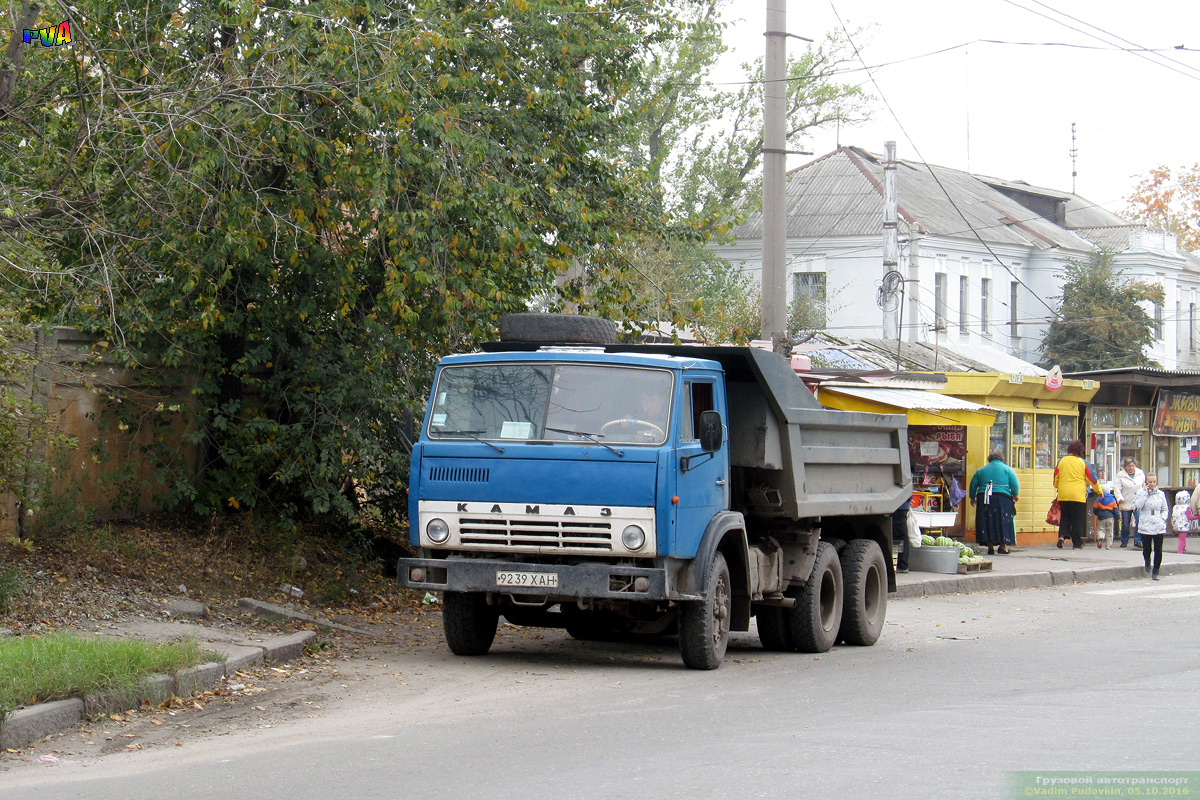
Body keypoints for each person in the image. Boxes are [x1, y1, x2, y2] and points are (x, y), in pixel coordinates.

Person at [1053, 439, 1102, 550]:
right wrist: (1100, 491)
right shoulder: (1083, 462)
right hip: (1078, 495)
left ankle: (1062, 536)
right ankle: (1077, 543)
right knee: (1077, 519)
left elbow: (1056, 478)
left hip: (1063, 494)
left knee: (1065, 516)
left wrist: (1058, 486)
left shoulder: (1061, 461)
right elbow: (1092, 479)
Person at [968, 451, 1020, 555]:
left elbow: (973, 484)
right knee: (1003, 520)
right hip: (1003, 498)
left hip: (984, 498)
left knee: (987, 520)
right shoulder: (1007, 470)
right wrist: (1015, 494)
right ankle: (1003, 546)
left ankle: (990, 547)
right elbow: (1015, 484)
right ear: (1002, 459)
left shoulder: (981, 471)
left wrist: (972, 497)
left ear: (989, 459)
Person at [1134, 474, 1168, 580]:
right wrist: (1145, 493)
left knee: (1158, 549)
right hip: (1146, 523)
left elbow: (1165, 509)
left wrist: (1162, 519)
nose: (1152, 484)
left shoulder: (1161, 494)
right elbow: (1138, 506)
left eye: (1154, 482)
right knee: (1147, 548)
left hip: (1158, 523)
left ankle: (1156, 571)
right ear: (1146, 483)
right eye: (1150, 482)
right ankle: (1147, 560)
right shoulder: (1141, 493)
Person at [1114, 457, 1146, 548]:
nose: (1131, 468)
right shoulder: (1121, 475)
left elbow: (1144, 485)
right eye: (1129, 466)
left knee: (1139, 520)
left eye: (1133, 465)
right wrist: (1119, 498)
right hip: (1126, 500)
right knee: (1125, 523)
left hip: (1137, 501)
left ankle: (1138, 540)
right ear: (1125, 467)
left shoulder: (1140, 473)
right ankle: (1124, 540)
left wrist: (1144, 495)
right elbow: (1117, 488)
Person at [1092, 484, 1118, 549]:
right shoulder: (1112, 499)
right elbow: (1115, 509)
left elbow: (1095, 508)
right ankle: (1108, 545)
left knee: (1101, 529)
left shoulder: (1098, 499)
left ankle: (1101, 537)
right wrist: (1118, 517)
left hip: (1101, 517)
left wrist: (1096, 513)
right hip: (1110, 517)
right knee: (1110, 531)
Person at [892, 496, 912, 573]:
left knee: (901, 536)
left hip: (898, 506)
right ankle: (902, 564)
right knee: (901, 536)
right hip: (901, 506)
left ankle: (903, 564)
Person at [1171, 490, 1191, 555]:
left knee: (1182, 537)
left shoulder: (1175, 507)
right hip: (1183, 525)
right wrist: (1198, 517)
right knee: (1181, 539)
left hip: (1176, 524)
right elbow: (1190, 517)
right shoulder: (1186, 508)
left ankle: (1184, 547)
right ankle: (1180, 551)